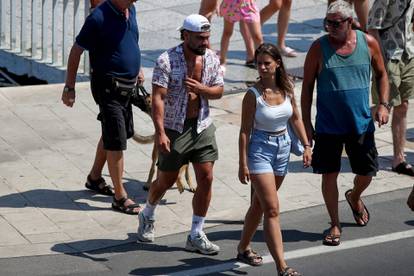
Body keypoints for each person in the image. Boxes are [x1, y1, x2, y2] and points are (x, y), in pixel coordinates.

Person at [301, 0, 389, 246]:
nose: (330, 27)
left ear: (350, 22)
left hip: (360, 123)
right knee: (329, 175)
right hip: (328, 126)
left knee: (366, 172)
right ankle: (335, 223)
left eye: (336, 23)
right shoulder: (318, 49)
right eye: (327, 22)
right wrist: (306, 124)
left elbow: (382, 74)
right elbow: (306, 88)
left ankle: (355, 195)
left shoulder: (367, 43)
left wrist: (383, 103)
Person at [137, 14, 224, 255]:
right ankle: (148, 213)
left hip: (202, 125)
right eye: (200, 38)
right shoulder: (166, 60)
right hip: (175, 128)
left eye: (207, 38)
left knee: (206, 178)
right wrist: (161, 132)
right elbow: (158, 98)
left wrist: (202, 89)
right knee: (165, 180)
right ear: (185, 35)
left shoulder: (211, 58)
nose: (205, 43)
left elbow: (218, 90)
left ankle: (196, 233)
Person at [61, 0, 143, 215]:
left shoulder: (129, 10)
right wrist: (69, 87)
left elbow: (132, 39)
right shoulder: (98, 17)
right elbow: (76, 51)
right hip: (108, 86)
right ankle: (120, 196)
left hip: (127, 86)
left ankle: (95, 177)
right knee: (116, 139)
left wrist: (138, 67)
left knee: (113, 132)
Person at [237, 43, 311, 275]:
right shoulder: (253, 95)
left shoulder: (287, 87)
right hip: (259, 149)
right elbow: (244, 131)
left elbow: (296, 118)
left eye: (266, 63)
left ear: (277, 63)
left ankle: (242, 247)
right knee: (272, 209)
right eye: (258, 63)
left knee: (259, 204)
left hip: (283, 148)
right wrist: (243, 163)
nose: (262, 67)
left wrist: (307, 145)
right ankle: (282, 267)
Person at [367, 1, 414, 176]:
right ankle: (349, 123)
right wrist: (381, 60)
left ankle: (399, 159)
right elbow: (372, 27)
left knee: (403, 106)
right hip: (389, 56)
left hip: (408, 54)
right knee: (385, 106)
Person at [219, 0, 264, 71]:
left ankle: (262, 62)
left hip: (248, 5)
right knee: (227, 32)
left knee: (257, 37)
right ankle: (222, 61)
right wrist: (218, 4)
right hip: (231, 5)